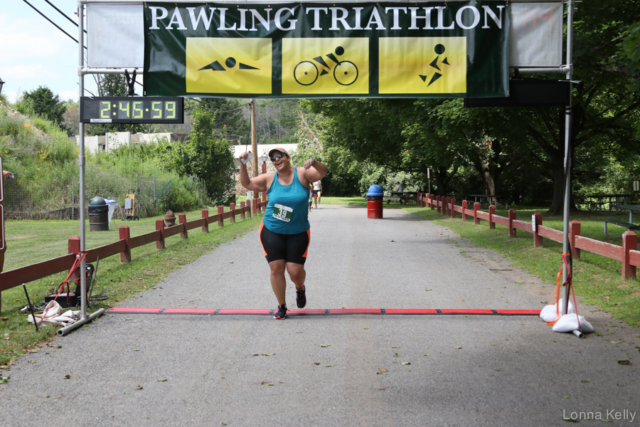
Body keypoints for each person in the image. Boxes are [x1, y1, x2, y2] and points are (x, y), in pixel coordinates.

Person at [239, 147, 328, 319]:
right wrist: (242, 164)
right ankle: (282, 306)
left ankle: (300, 288)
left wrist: (315, 162)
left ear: (287, 158)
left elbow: (323, 172)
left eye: (279, 156)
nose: (276, 160)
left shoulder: (302, 174)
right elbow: (247, 184)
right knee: (276, 269)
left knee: (295, 272)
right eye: (273, 158)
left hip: (298, 231)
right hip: (272, 230)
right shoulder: (269, 178)